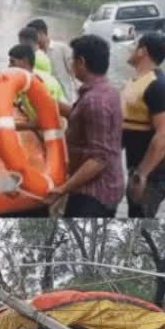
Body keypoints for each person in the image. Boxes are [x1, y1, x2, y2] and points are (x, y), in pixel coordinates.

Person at [44, 35, 124, 217]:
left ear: (81, 62)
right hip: (99, 185)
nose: (72, 64)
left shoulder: (96, 101)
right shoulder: (105, 91)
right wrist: (46, 101)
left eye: (73, 60)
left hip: (95, 192)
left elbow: (98, 160)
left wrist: (62, 189)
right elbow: (77, 115)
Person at [122, 32, 165, 217]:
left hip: (152, 175)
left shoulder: (157, 85)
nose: (129, 48)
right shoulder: (135, 82)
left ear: (143, 51)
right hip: (136, 169)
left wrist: (142, 175)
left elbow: (163, 135)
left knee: (140, 219)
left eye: (134, 45)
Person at [7, 44, 66, 122]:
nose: (9, 66)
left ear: (25, 61)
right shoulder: (23, 80)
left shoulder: (42, 84)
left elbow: (47, 121)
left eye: (12, 62)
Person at [28, 18, 77, 103]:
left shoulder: (61, 48)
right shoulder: (33, 53)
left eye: (32, 36)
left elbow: (75, 74)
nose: (31, 40)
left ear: (41, 33)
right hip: (41, 99)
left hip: (63, 99)